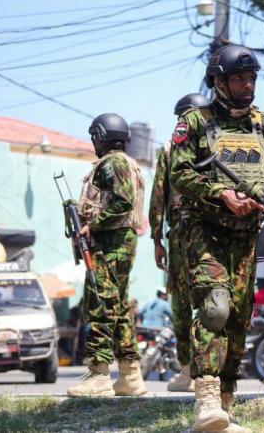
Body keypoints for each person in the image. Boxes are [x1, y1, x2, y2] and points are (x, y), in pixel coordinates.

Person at [170, 44, 264, 433]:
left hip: (246, 238)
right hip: (204, 231)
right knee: (216, 308)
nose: (247, 84)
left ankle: (223, 406)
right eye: (239, 78)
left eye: (252, 77)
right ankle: (205, 399)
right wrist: (220, 193)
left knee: (239, 321)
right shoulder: (195, 122)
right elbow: (180, 175)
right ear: (219, 82)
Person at [66, 113, 147, 398]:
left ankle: (99, 374)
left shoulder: (112, 163)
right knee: (119, 307)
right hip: (120, 242)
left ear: (101, 136)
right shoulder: (128, 164)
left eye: (94, 137)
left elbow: (123, 202)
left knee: (99, 304)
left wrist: (92, 225)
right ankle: (129, 375)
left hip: (111, 243)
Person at [149, 92, 211, 393]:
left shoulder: (171, 147)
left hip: (184, 234)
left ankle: (189, 372)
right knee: (210, 299)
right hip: (212, 235)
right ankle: (208, 372)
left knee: (185, 304)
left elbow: (158, 195)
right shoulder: (220, 145)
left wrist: (156, 238)